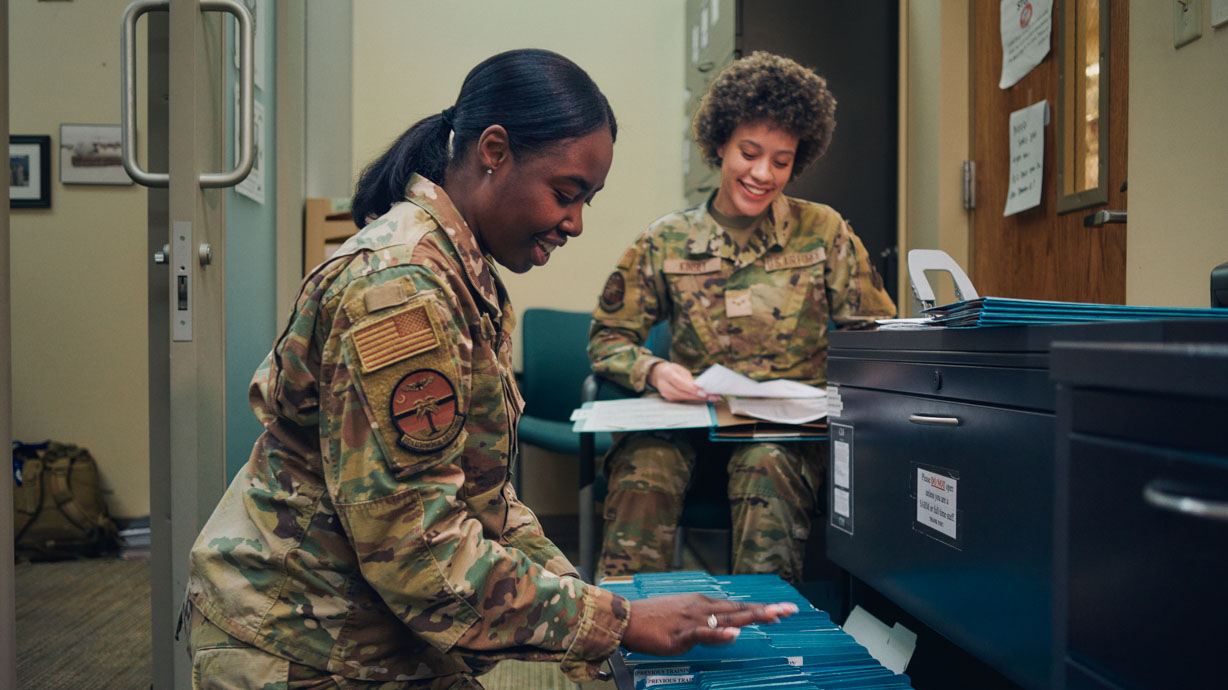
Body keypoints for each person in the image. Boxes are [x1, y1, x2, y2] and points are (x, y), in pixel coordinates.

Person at [184, 49, 796, 689]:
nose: (577, 222)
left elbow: (485, 503)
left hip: (376, 624)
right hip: (300, 643)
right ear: (494, 151)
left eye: (588, 199)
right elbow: (421, 554)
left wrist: (595, 617)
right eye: (566, 193)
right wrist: (619, 623)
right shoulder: (403, 290)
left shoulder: (458, 272)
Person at [589, 51, 896, 583]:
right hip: (691, 425)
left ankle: (762, 644)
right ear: (720, 144)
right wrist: (656, 372)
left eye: (781, 161)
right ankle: (624, 638)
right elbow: (608, 338)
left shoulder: (822, 231)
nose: (761, 174)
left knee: (769, 466)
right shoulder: (666, 239)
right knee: (643, 465)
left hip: (785, 435)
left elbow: (871, 338)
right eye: (749, 153)